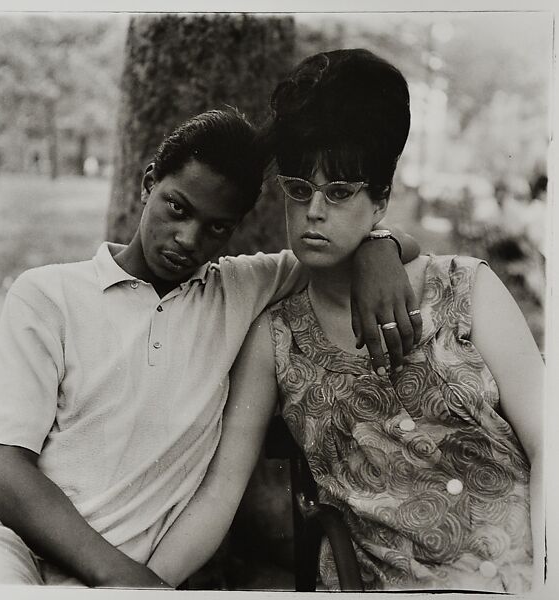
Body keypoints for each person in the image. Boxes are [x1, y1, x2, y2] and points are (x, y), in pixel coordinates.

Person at [147, 51, 543, 593]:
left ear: (380, 200)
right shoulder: (276, 337)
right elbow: (220, 494)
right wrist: (131, 587)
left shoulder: (465, 287)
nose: (314, 212)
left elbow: (550, 440)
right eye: (299, 190)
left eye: (339, 193)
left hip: (530, 565)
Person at [0, 108, 421, 586]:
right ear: (149, 182)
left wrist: (382, 245)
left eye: (217, 227)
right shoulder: (48, 294)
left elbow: (346, 247)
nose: (187, 239)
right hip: (13, 549)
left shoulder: (240, 288)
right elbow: (2, 469)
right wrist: (125, 580)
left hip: (128, 575)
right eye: (177, 208)